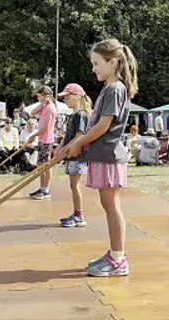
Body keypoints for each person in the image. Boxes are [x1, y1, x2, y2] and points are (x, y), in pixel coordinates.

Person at [65, 38, 137, 277]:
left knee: (112, 206)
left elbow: (103, 126)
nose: (93, 68)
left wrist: (79, 143)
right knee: (108, 205)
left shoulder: (116, 89)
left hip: (108, 156)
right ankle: (115, 253)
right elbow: (95, 125)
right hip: (102, 155)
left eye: (96, 63)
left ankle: (118, 259)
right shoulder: (109, 88)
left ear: (113, 62)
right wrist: (73, 144)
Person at [57, 83, 91, 228]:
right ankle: (77, 213)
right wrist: (60, 148)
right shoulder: (73, 116)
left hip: (78, 156)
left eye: (67, 97)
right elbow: (67, 136)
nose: (65, 100)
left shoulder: (81, 115)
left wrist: (65, 148)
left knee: (75, 185)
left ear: (77, 97)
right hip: (71, 155)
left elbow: (80, 136)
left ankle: (79, 215)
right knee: (73, 185)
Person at [27, 86, 58, 200]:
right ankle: (42, 187)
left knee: (46, 165)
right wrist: (41, 105)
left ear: (45, 95)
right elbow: (32, 113)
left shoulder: (51, 108)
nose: (38, 98)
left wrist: (33, 136)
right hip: (41, 140)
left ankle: (46, 189)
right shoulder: (45, 107)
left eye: (39, 96)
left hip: (47, 140)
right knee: (40, 165)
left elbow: (45, 128)